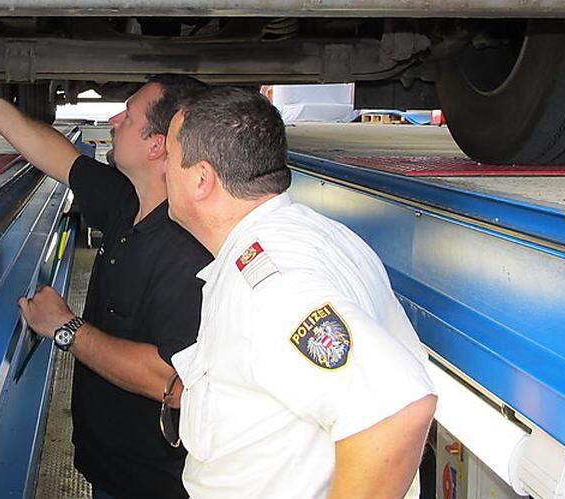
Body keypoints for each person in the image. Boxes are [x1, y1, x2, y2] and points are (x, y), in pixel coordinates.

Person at [0, 73, 211, 499]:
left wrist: (66, 328)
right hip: (110, 465)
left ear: (158, 145)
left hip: (155, 485)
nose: (115, 119)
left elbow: (170, 381)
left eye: (129, 114)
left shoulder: (188, 251)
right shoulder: (128, 200)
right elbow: (58, 155)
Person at [162, 86, 437, 499]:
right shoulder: (310, 235)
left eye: (168, 158)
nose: (162, 170)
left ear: (202, 179)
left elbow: (396, 410)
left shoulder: (272, 283)